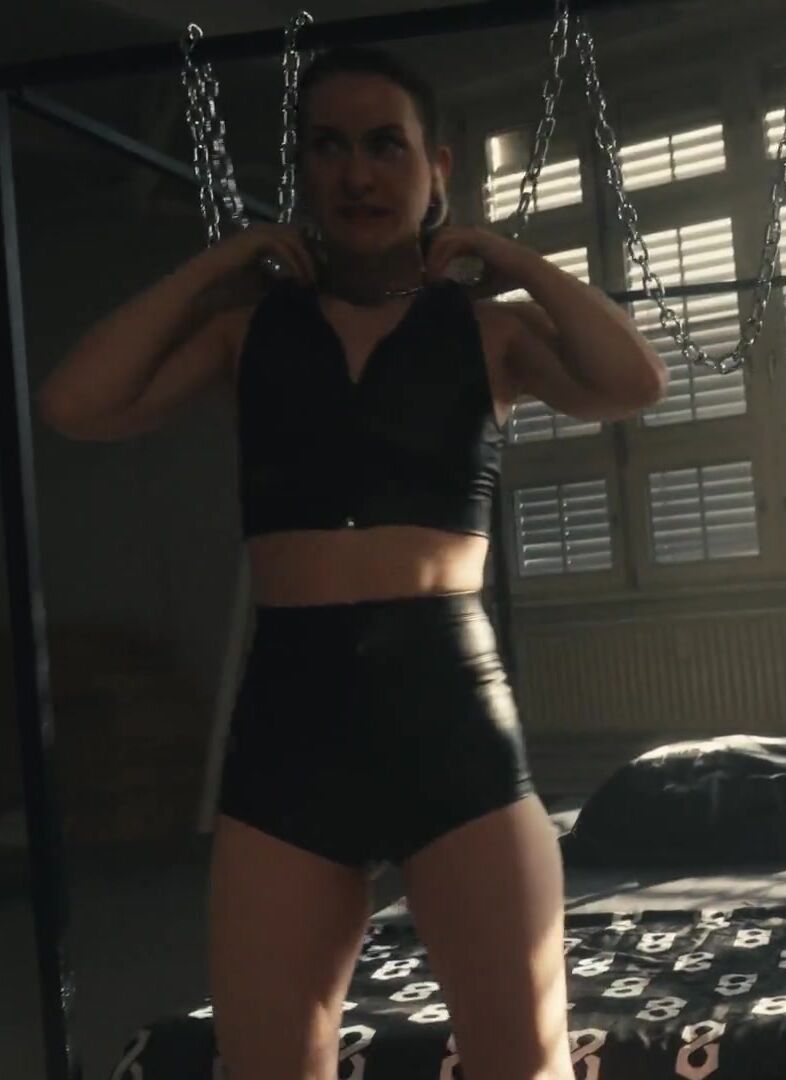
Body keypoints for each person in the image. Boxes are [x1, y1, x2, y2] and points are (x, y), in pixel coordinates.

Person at [35, 46, 666, 1080]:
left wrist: (508, 257)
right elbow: (75, 404)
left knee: (523, 1058)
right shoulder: (246, 332)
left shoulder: (488, 331)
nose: (357, 174)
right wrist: (219, 266)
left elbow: (634, 381)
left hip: (450, 716)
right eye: (329, 148)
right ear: (303, 170)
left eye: (385, 146)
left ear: (435, 166)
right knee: (272, 1062)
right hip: (290, 725)